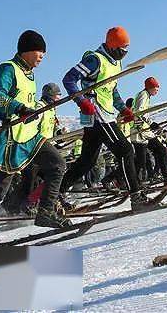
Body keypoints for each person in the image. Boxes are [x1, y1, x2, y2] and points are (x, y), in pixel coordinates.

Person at [0, 30, 70, 250]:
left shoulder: (30, 75)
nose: (42, 57)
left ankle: (46, 213)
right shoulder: (8, 69)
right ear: (28, 49)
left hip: (29, 135)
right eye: (40, 52)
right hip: (11, 138)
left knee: (58, 164)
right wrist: (18, 108)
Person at [57, 27, 148, 209]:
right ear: (112, 46)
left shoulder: (115, 63)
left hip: (104, 113)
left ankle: (54, 194)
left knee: (87, 160)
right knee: (125, 150)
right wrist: (82, 101)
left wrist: (123, 109)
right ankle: (136, 195)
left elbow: (111, 90)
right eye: (122, 49)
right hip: (96, 113)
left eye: (126, 49)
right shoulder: (95, 60)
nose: (124, 53)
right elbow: (69, 79)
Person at [1, 83, 62, 215]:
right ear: (51, 95)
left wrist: (58, 138)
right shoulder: (40, 107)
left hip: (45, 148)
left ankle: (27, 203)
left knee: (46, 177)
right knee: (31, 180)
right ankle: (13, 205)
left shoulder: (52, 110)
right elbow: (31, 126)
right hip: (34, 148)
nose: (59, 98)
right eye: (58, 95)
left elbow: (50, 130)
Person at [128, 77, 167, 184]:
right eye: (156, 88)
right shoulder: (143, 95)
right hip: (140, 131)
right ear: (150, 87)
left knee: (143, 160)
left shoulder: (145, 95)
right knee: (159, 152)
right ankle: (165, 177)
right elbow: (139, 111)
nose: (157, 91)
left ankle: (142, 180)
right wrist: (150, 123)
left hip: (142, 130)